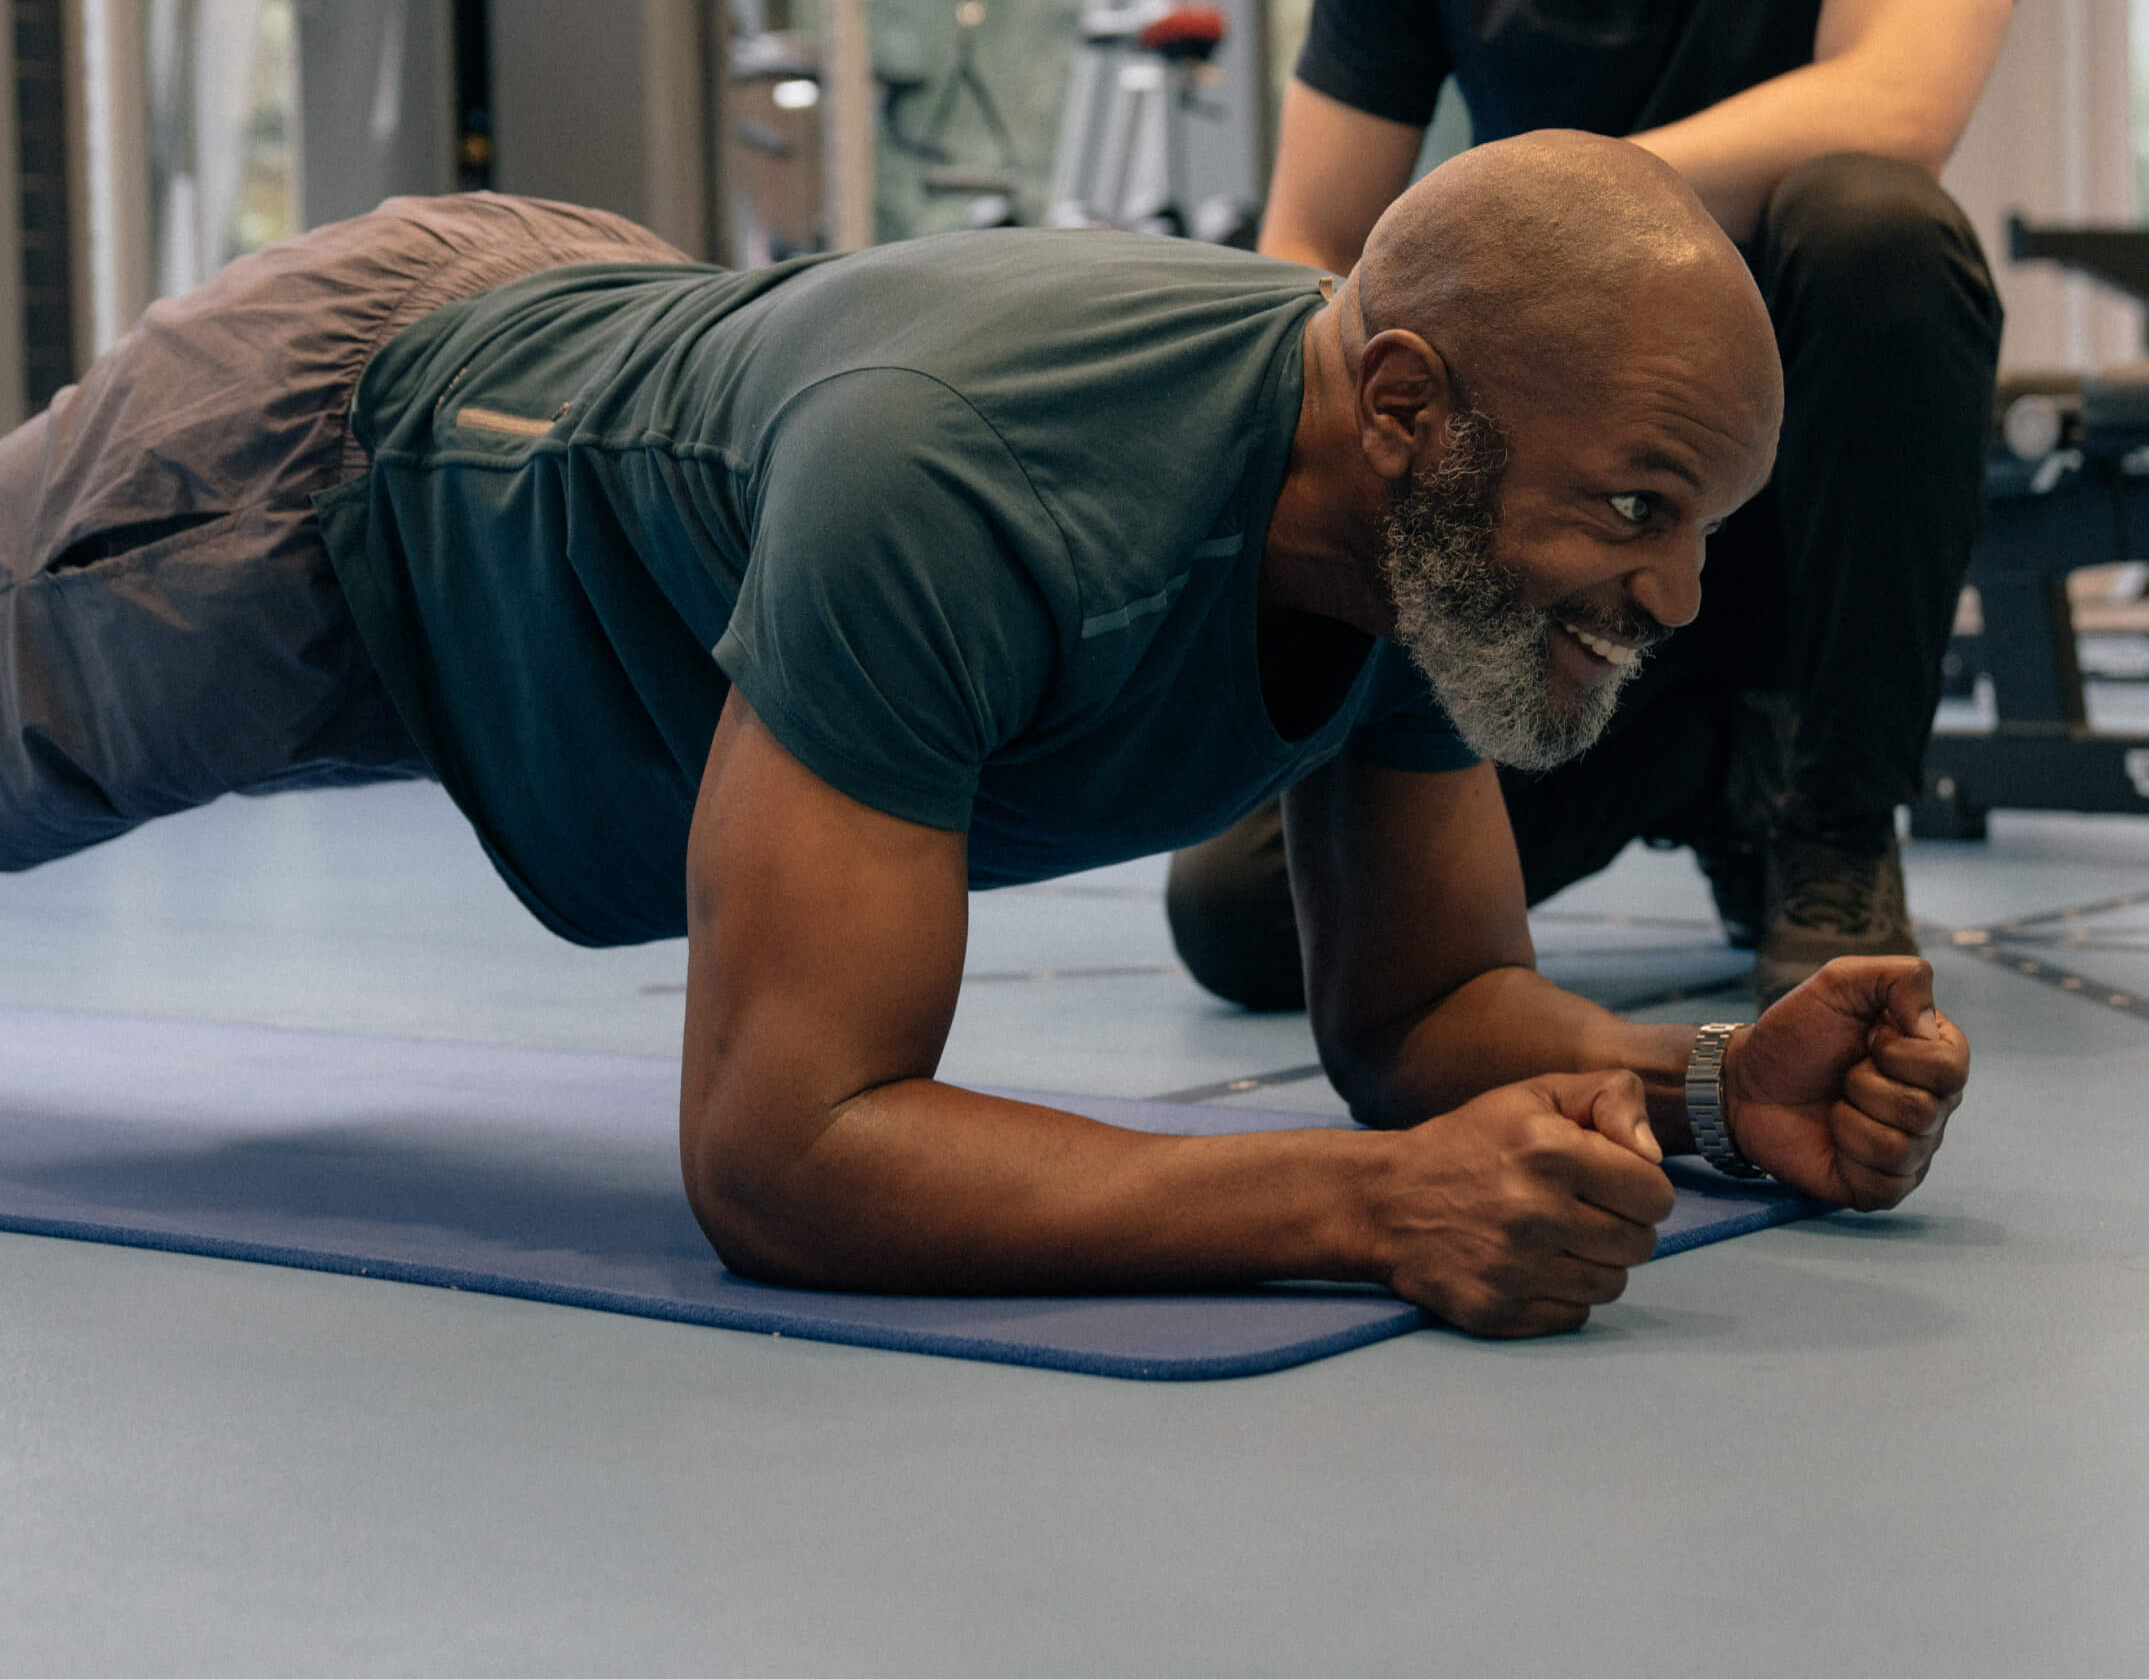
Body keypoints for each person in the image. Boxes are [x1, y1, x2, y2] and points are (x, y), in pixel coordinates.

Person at [0, 144, 1968, 1340]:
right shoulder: (962, 484)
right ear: (1403, 409)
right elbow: (786, 1156)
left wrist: (1711, 1086)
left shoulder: (1412, 534)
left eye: (1704, 524)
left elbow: (1427, 1006)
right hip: (326, 463)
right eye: (1637, 509)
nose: (1681, 599)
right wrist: (1368, 1208)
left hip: (599, 352)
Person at [1170, 0, 2015, 1011]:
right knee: (1243, 921)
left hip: (1786, 551)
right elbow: (1308, 260)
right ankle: (1705, 763)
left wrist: (1526, 212)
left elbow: (1899, 103)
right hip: (1543, 568)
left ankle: (1832, 819)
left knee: (1875, 225)